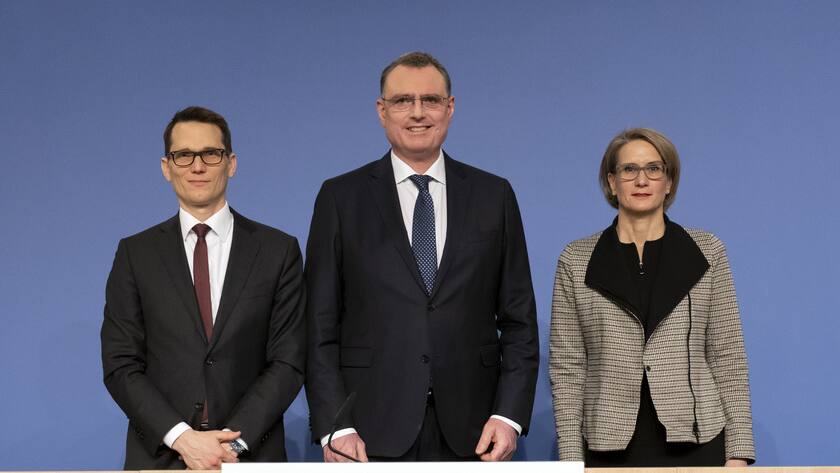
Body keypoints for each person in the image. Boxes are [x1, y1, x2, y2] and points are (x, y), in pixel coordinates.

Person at [305, 51, 539, 462]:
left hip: (476, 431)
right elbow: (318, 325)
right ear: (382, 111)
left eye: (430, 100)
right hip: (367, 431)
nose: (417, 113)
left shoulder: (493, 195)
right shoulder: (341, 198)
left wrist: (509, 416)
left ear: (450, 108)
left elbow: (519, 321)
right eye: (402, 101)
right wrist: (335, 423)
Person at [101, 106, 306, 469]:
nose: (198, 166)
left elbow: (288, 361)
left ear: (231, 163)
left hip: (250, 456)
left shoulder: (278, 250)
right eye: (184, 156)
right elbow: (121, 364)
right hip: (161, 458)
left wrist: (233, 445)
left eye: (211, 154)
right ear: (167, 167)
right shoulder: (135, 254)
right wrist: (181, 437)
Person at [550, 127, 755, 466]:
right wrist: (571, 458)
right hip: (608, 443)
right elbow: (568, 368)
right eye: (629, 170)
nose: (641, 180)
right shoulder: (576, 259)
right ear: (612, 182)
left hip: (696, 439)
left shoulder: (707, 251)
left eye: (654, 169)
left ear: (669, 182)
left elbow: (727, 356)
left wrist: (738, 452)